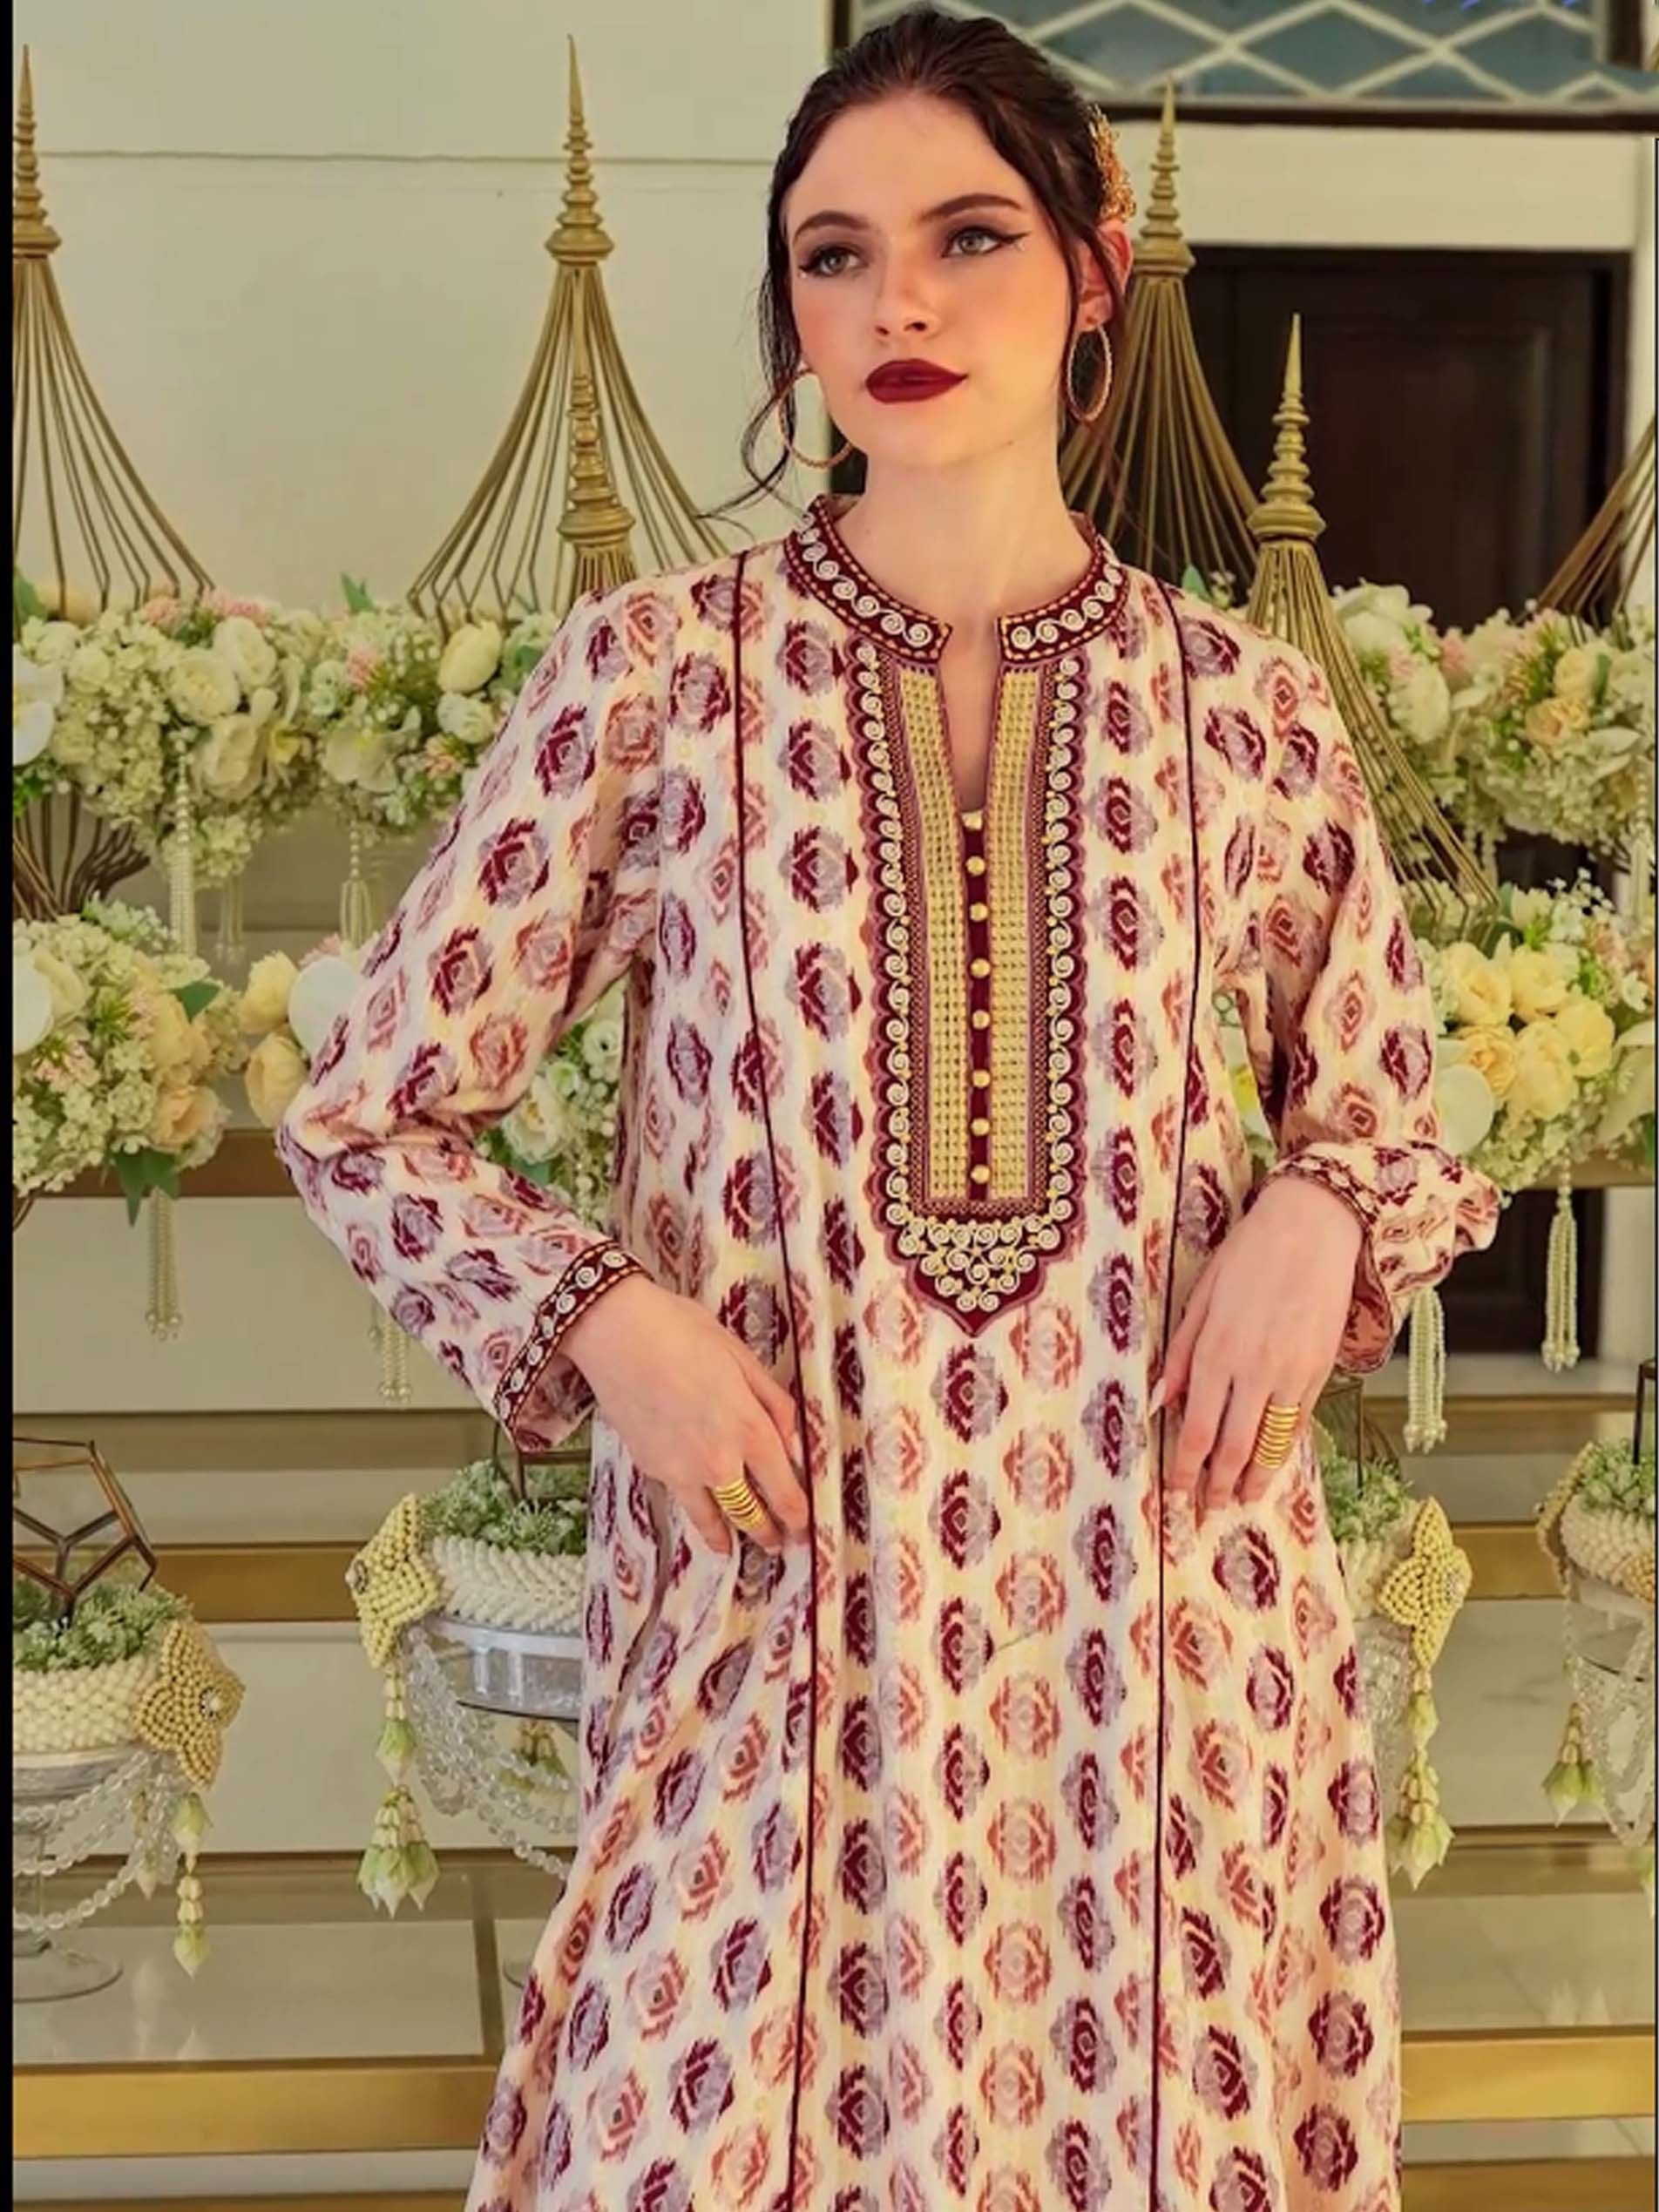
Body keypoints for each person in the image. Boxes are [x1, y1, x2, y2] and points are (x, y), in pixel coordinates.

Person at [280, 9, 1502, 2207]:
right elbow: (366, 1112)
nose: (897, 304)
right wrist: (608, 1325)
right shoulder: (657, 677)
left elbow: (1398, 1121)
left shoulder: (1243, 712)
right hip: (777, 1622)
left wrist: (1319, 1213)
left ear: (1094, 267)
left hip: (1159, 1649)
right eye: (833, 256)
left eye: (966, 237)